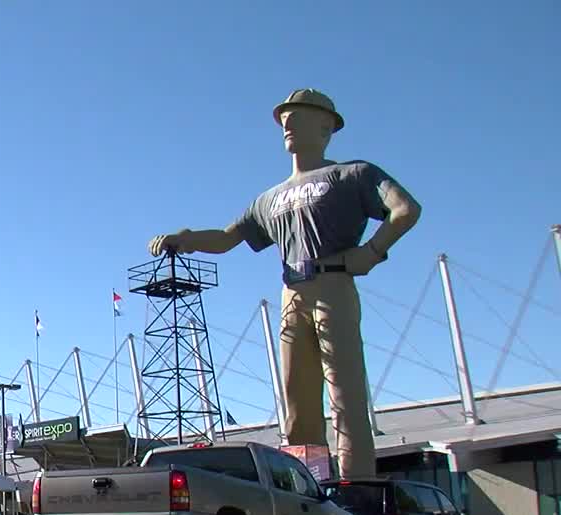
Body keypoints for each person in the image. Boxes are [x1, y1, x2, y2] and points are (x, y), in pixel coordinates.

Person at [148, 89, 422, 481]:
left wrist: (372, 251)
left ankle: (356, 484)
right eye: (284, 120)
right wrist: (186, 238)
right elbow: (229, 237)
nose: (288, 125)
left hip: (334, 285)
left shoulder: (353, 174)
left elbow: (405, 209)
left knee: (345, 396)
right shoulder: (269, 198)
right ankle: (308, 487)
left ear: (326, 127)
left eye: (298, 117)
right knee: (297, 403)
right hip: (291, 292)